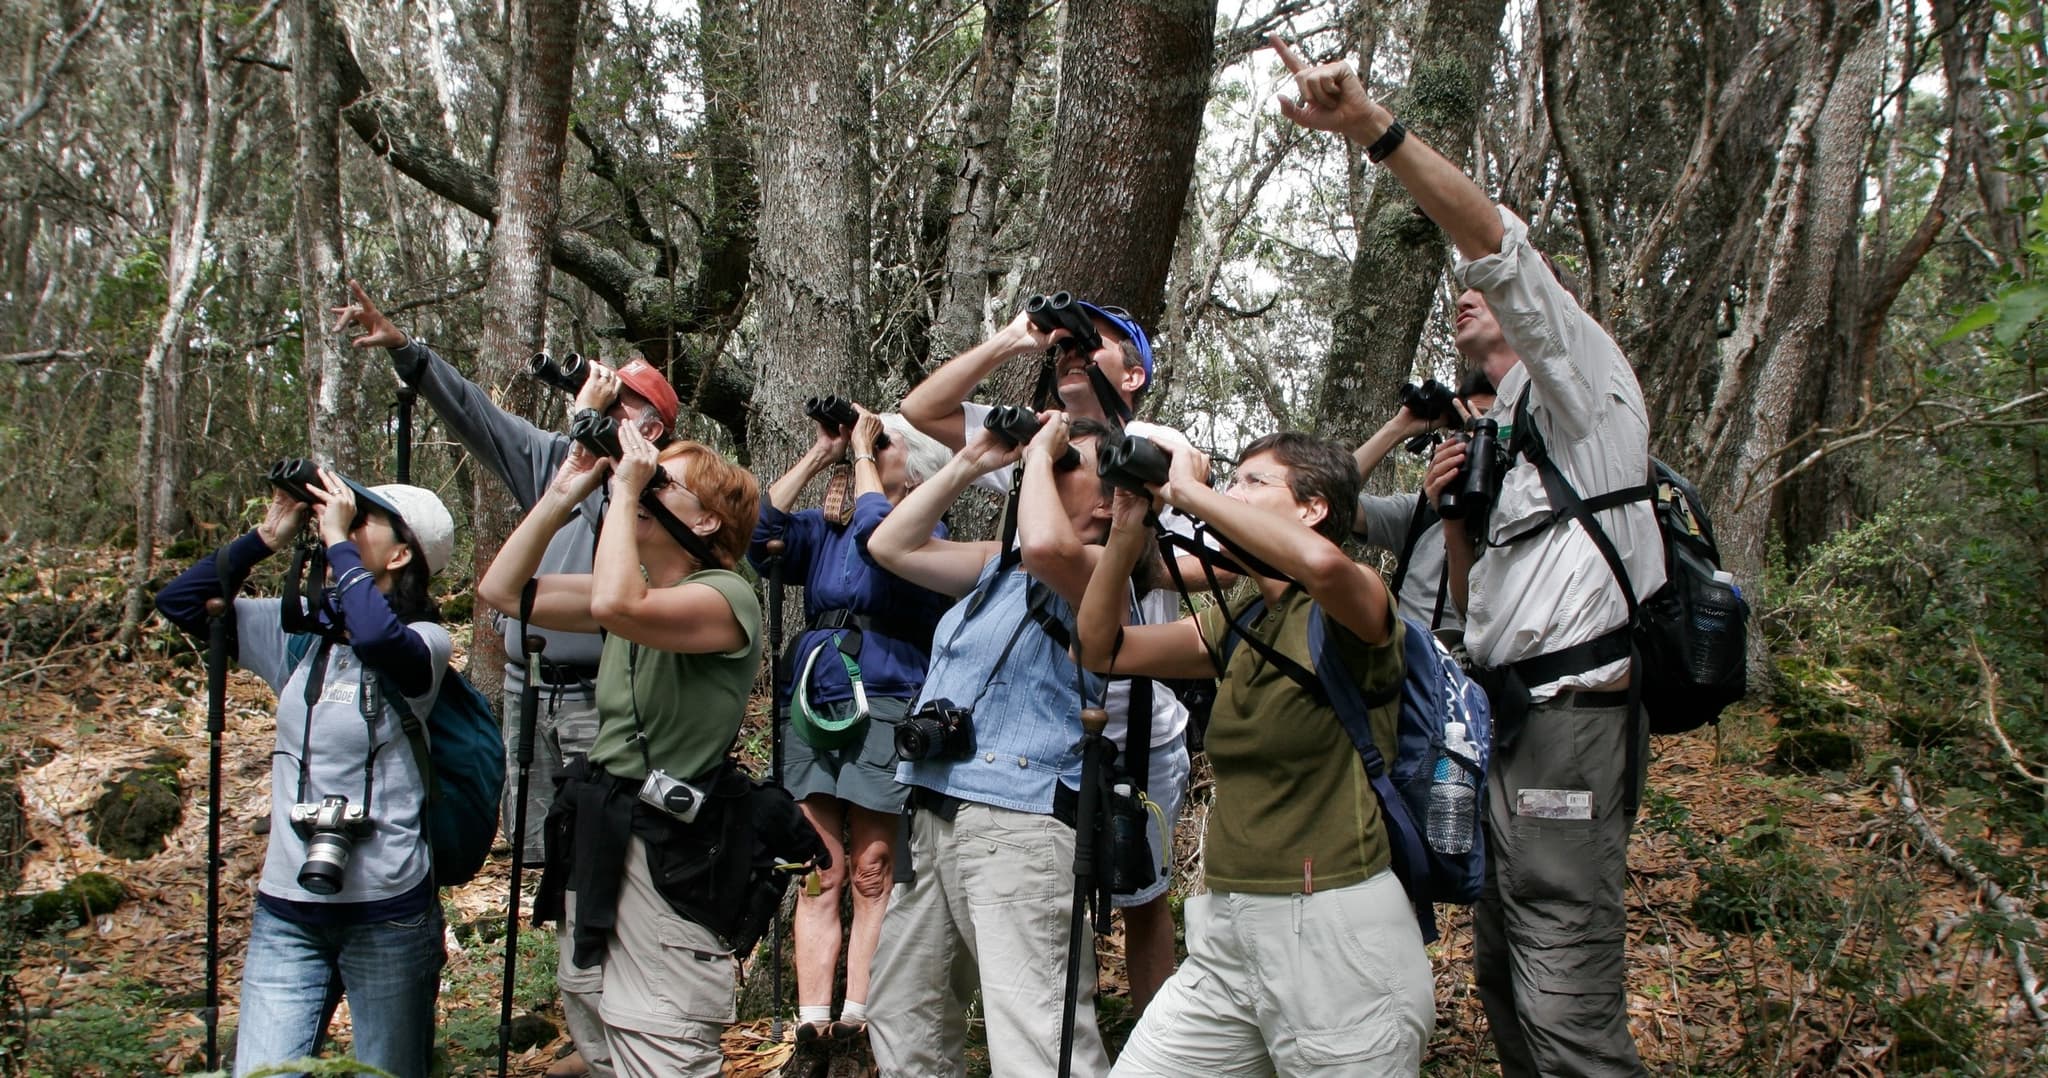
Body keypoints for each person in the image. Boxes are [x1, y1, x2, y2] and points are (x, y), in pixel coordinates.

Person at [1272, 35, 1664, 1075]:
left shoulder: (1580, 382)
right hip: (1498, 722)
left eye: (1479, 288)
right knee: (1500, 978)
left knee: (1565, 996)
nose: (1463, 289)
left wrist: (1370, 129)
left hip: (1569, 727)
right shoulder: (1499, 437)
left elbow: (1493, 243)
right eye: (1459, 289)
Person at [331, 282, 680, 1077]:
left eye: (622, 402)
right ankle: (591, 1039)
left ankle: (631, 1040)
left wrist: (609, 458)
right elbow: (474, 416)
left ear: (651, 424)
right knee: (555, 874)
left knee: (611, 873)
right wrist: (403, 350)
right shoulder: (555, 462)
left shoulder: (655, 490)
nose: (602, 404)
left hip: (603, 703)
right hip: (529, 697)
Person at [1073, 432, 1434, 1075]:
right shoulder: (1240, 622)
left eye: (1250, 483)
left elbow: (1321, 569)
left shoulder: (1358, 605)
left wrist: (1188, 491)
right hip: (1228, 932)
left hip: (1335, 935)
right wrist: (1128, 533)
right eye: (1230, 482)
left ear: (1313, 509)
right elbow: (1098, 650)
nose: (1230, 495)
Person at [864, 412, 1188, 1078]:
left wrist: (1039, 451)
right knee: (903, 1019)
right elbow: (890, 546)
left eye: (1072, 462)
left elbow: (1047, 548)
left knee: (1037, 1040)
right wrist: (971, 460)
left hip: (1022, 821)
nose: (1051, 463)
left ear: (1107, 498)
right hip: (933, 811)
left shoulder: (1104, 570)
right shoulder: (998, 565)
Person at [898, 298, 1191, 1012]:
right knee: (1049, 884)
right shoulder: (1051, 450)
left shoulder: (1157, 442)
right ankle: (1066, 1003)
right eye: (1069, 339)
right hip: (1038, 715)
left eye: (1101, 341)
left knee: (1141, 897)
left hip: (1133, 711)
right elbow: (920, 409)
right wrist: (1012, 341)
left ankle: (1155, 1049)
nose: (1075, 347)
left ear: (1137, 376)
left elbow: (1168, 497)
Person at [476, 422, 765, 1078]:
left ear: (707, 522)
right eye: (648, 474)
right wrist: (565, 491)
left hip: (671, 857)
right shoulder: (637, 592)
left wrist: (631, 484)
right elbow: (502, 592)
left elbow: (614, 602)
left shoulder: (728, 598)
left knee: (662, 1031)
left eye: (667, 483)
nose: (645, 482)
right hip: (604, 827)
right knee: (594, 1008)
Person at [156, 469, 457, 1078]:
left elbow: (376, 634)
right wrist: (265, 538)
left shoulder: (427, 641)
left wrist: (339, 539)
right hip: (287, 908)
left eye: (359, 520)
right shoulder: (299, 641)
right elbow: (180, 603)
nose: (333, 527)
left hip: (388, 909)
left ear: (402, 555)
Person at [745, 403, 952, 1071]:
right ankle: (812, 1031)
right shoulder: (825, 530)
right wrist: (820, 452)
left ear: (914, 467)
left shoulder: (925, 529)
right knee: (819, 869)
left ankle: (860, 1020)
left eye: (885, 442)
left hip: (887, 696)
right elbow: (758, 533)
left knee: (871, 871)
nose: (869, 448)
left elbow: (879, 536)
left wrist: (864, 455)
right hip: (812, 698)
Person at [1351, 370, 1496, 638]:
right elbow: (1327, 500)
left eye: (1484, 423)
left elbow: (1474, 612)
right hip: (1405, 669)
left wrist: (1455, 523)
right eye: (1462, 426)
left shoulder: (1522, 521)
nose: (1474, 437)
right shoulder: (1420, 514)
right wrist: (1397, 429)